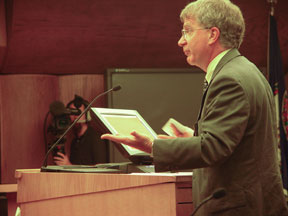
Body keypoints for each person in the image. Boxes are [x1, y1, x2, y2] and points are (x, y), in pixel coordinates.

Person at [101, 0, 288, 215]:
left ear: (212, 34)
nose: (181, 41)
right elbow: (238, 141)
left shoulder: (229, 79)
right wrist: (192, 137)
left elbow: (213, 147)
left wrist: (152, 146)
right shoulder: (246, 70)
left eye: (187, 31)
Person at [54, 95, 108, 165]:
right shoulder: (74, 141)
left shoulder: (96, 138)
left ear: (87, 115)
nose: (75, 116)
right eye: (72, 112)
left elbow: (100, 168)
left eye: (78, 113)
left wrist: (68, 165)